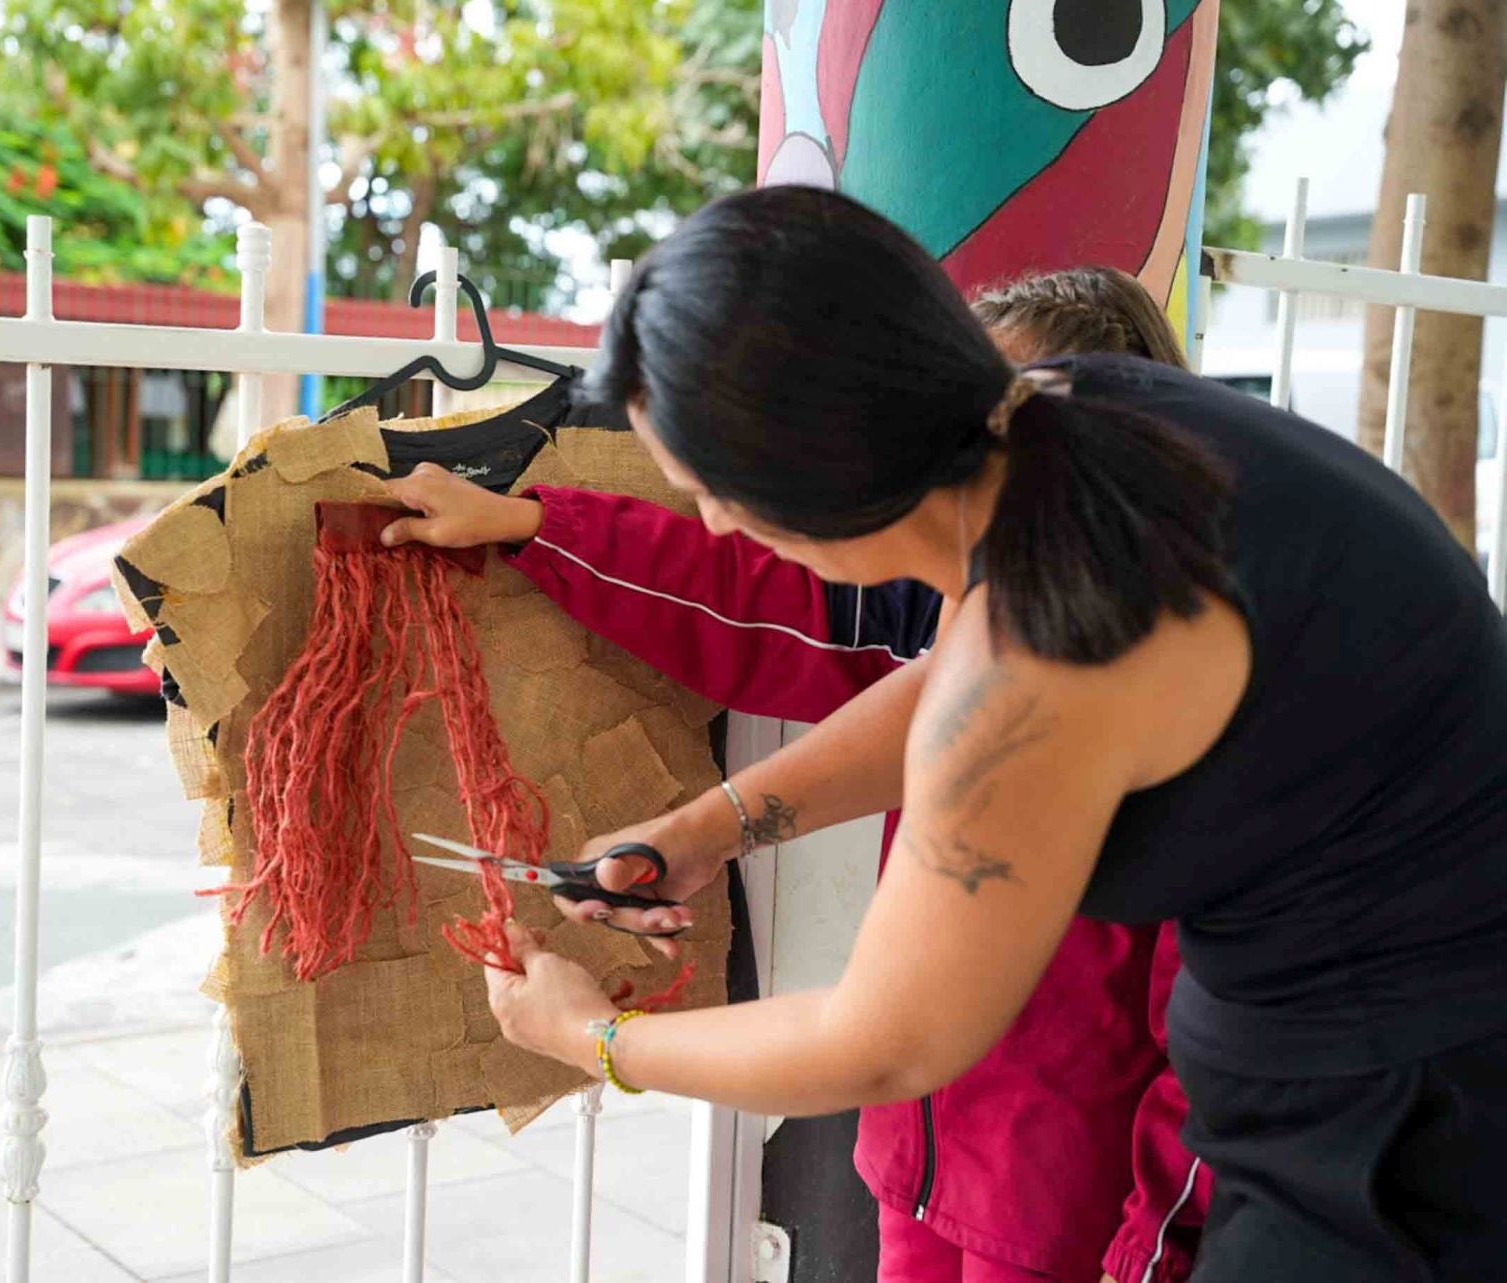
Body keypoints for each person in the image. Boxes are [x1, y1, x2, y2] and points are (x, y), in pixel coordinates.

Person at [392, 187, 1507, 1280]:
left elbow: (884, 1038)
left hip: (1404, 1129)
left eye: (716, 493)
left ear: (811, 473)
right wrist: (710, 827)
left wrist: (594, 1037)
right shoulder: (1070, 419)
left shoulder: (1050, 636)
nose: (723, 525)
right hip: (1364, 1043)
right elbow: (942, 683)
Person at [383, 264, 1209, 1283]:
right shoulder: (969, 599)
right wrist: (534, 528)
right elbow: (768, 600)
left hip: (1073, 1215)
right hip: (919, 1162)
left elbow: (1199, 1057)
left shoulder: (1187, 699)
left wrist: (597, 1037)